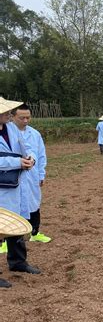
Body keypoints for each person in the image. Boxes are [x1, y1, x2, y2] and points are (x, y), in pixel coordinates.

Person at [0, 96, 41, 286]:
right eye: (6, 112)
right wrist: (16, 162)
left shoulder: (11, 128)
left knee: (16, 223)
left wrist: (29, 158)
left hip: (14, 185)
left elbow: (24, 149)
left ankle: (17, 262)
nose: (9, 114)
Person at [11, 103, 50, 243]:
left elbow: (41, 156)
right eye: (22, 118)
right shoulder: (6, 133)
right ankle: (5, 241)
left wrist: (41, 174)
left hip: (32, 176)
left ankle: (35, 232)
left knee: (34, 203)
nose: (25, 121)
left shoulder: (35, 134)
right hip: (11, 178)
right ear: (13, 116)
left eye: (28, 117)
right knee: (11, 208)